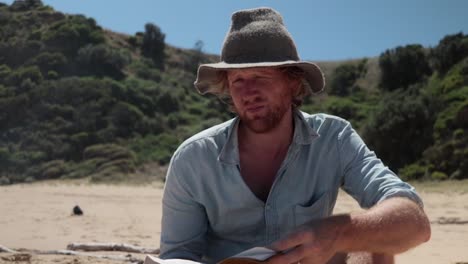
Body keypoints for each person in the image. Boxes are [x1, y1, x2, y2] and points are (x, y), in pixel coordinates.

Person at [159, 7, 430, 264]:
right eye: (237, 80)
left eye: (260, 76)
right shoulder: (193, 159)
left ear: (293, 80)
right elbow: (178, 255)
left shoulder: (333, 138)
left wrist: (336, 232)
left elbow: (414, 222)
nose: (248, 92)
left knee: (372, 247)